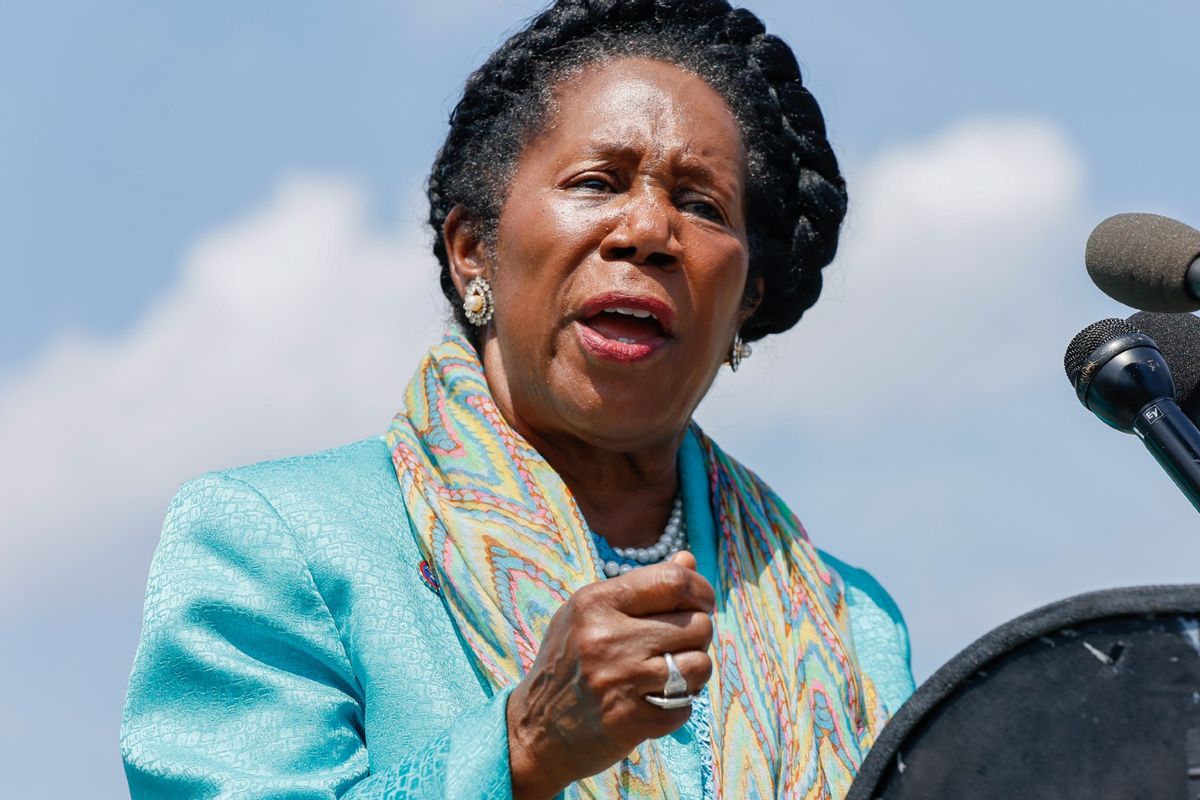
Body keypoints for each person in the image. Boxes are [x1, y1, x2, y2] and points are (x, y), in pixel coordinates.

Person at [121, 0, 915, 797]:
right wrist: (525, 743)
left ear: (748, 301)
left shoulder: (852, 624)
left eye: (702, 205)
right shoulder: (275, 544)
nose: (647, 228)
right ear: (474, 252)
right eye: (597, 181)